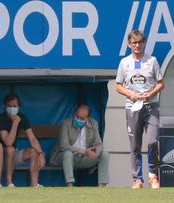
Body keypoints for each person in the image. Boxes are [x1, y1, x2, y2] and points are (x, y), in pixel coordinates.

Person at [116, 30, 164, 189]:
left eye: (140, 42)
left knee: (152, 141)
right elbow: (118, 86)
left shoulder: (152, 61)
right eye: (134, 42)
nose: (137, 45)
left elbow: (161, 83)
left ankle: (153, 176)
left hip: (151, 107)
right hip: (132, 108)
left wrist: (150, 94)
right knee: (135, 146)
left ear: (144, 43)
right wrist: (131, 94)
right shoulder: (124, 63)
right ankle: (137, 179)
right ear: (129, 44)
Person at [0, 93, 45, 187]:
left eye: (14, 106)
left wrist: (41, 153)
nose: (12, 108)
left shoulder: (22, 118)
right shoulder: (1, 119)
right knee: (10, 149)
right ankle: (9, 183)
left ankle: (34, 185)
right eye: (9, 106)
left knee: (34, 152)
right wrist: (15, 123)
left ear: (19, 107)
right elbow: (8, 142)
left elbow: (32, 139)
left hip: (12, 156)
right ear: (5, 106)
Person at [50, 104, 109, 187]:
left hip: (84, 158)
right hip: (66, 158)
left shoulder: (93, 123)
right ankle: (70, 184)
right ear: (75, 113)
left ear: (87, 118)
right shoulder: (66, 123)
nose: (79, 119)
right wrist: (84, 152)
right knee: (68, 153)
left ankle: (102, 186)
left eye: (82, 118)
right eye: (77, 117)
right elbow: (64, 146)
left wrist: (95, 152)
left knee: (104, 154)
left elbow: (99, 144)